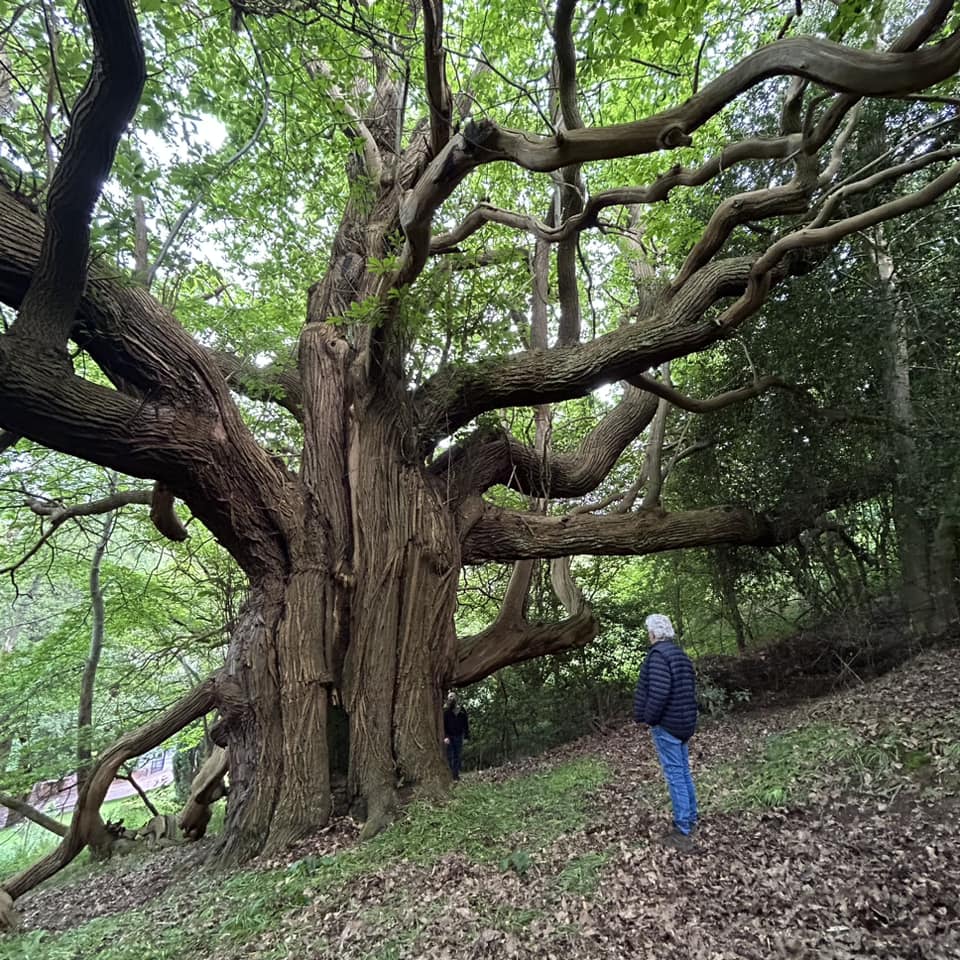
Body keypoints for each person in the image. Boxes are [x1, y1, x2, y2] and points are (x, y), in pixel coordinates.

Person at [633, 613, 699, 849]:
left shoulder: (658, 656)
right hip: (684, 722)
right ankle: (691, 818)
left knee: (675, 774)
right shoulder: (680, 655)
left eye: (648, 631)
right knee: (683, 772)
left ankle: (683, 829)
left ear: (653, 633)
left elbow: (659, 692)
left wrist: (649, 718)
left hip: (668, 724)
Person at [442, 693, 470, 781]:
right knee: (450, 755)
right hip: (449, 736)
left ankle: (455, 776)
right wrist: (446, 737)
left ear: (456, 698)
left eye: (452, 696)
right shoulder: (446, 712)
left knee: (457, 756)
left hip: (459, 736)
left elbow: (466, 724)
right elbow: (444, 725)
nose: (451, 698)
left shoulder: (462, 710)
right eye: (449, 697)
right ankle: (450, 775)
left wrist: (466, 737)